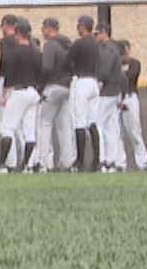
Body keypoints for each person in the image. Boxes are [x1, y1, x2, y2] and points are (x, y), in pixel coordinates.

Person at [0, 15, 40, 171]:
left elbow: (9, 75)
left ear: (18, 33)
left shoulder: (15, 52)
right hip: (33, 92)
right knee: (29, 130)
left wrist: (4, 95)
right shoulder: (36, 51)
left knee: (7, 128)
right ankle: (27, 164)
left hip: (19, 91)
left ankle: (1, 164)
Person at [32, 18, 73, 171]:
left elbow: (47, 67)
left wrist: (40, 87)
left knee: (44, 123)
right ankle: (67, 162)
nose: (42, 31)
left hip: (53, 86)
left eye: (43, 28)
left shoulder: (50, 45)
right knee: (63, 126)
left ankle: (43, 162)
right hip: (66, 86)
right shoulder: (67, 45)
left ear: (49, 28)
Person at [67, 15, 101, 171]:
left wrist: (72, 67)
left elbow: (66, 62)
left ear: (82, 26)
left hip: (81, 82)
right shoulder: (95, 44)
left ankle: (80, 162)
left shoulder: (79, 43)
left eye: (78, 25)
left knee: (79, 122)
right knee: (92, 122)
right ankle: (96, 161)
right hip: (94, 82)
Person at [94, 24, 127, 172]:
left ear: (103, 33)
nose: (95, 38)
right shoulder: (115, 48)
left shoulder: (107, 49)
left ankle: (102, 159)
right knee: (110, 127)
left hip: (106, 92)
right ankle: (112, 161)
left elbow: (104, 72)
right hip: (115, 91)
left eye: (97, 34)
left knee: (98, 125)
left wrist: (98, 84)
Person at [117, 40, 147, 170]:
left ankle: (142, 162)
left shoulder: (134, 63)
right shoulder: (115, 64)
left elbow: (129, 77)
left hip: (130, 97)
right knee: (116, 132)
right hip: (116, 98)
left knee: (134, 131)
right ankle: (119, 162)